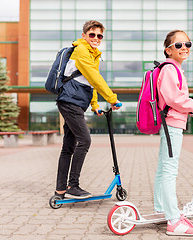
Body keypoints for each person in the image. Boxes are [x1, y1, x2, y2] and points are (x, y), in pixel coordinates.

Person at [54, 20, 121, 199]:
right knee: (85, 140)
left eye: (99, 36)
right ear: (84, 35)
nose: (96, 38)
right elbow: (95, 78)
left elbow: (89, 83)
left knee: (68, 146)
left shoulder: (93, 55)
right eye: (92, 34)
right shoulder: (82, 51)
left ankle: (60, 190)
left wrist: (95, 105)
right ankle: (72, 186)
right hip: (70, 102)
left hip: (74, 102)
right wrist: (112, 99)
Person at [154, 30, 193, 236]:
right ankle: (174, 221)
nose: (184, 48)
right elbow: (174, 98)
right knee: (169, 171)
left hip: (172, 123)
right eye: (178, 45)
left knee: (163, 169)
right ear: (168, 50)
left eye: (188, 44)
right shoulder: (170, 69)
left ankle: (161, 210)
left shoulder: (175, 69)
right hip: (172, 124)